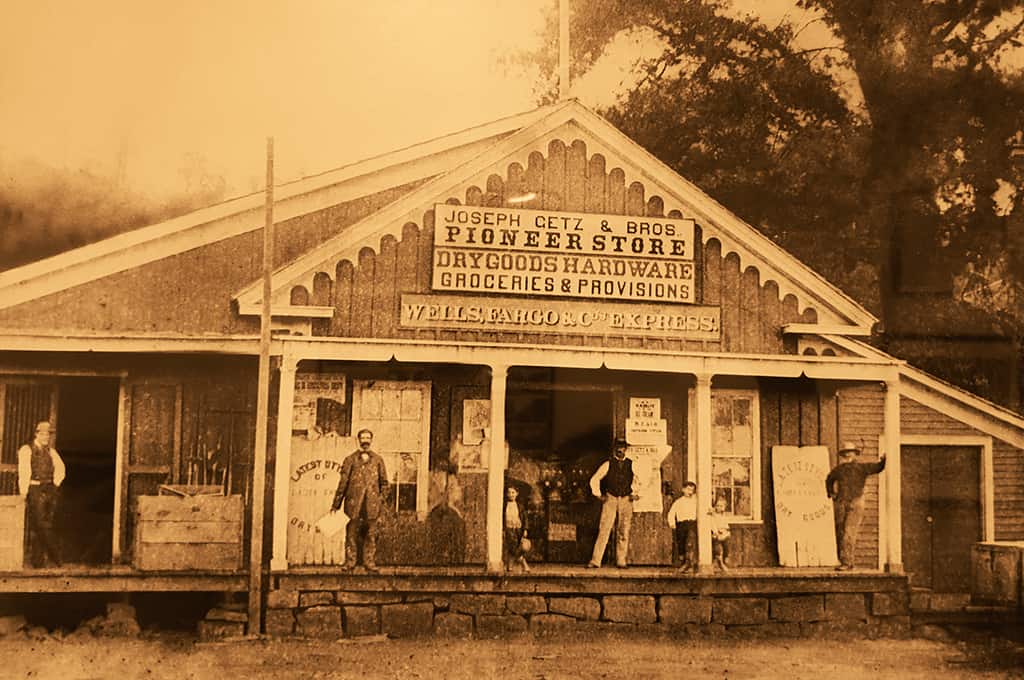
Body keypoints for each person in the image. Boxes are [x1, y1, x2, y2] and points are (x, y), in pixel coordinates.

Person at [331, 428, 388, 573]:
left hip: (372, 505)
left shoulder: (378, 460)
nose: (365, 441)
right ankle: (350, 563)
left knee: (371, 534)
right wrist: (336, 504)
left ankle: (369, 563)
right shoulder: (349, 460)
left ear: (371, 440)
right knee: (351, 534)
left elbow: (385, 484)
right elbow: (343, 483)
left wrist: (380, 499)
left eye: (368, 438)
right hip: (353, 504)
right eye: (363, 438)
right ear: (358, 440)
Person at [826, 441, 886, 571]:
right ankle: (846, 561)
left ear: (854, 454)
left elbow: (878, 467)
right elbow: (829, 479)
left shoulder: (862, 468)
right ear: (843, 455)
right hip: (842, 503)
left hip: (856, 503)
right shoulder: (839, 469)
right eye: (846, 453)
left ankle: (847, 563)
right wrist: (831, 493)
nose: (848, 455)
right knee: (841, 532)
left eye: (850, 452)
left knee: (849, 532)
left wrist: (884, 461)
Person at [17, 421, 65, 568]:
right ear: (36, 434)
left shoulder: (51, 451)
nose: (46, 437)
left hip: (49, 490)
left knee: (45, 524)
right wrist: (24, 492)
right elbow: (24, 471)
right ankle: (56, 556)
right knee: (41, 524)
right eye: (43, 433)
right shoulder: (27, 450)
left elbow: (61, 468)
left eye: (48, 434)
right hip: (34, 488)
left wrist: (55, 484)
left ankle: (38, 562)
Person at [587, 438, 639, 569]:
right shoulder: (607, 464)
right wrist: (598, 495)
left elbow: (641, 479)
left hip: (626, 499)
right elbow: (595, 479)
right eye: (618, 447)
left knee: (623, 530)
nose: (620, 449)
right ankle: (595, 561)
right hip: (610, 499)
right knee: (604, 530)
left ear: (626, 449)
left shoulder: (632, 464)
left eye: (622, 447)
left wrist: (636, 492)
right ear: (614, 448)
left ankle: (621, 560)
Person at [666, 481, 697, 573]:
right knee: (681, 543)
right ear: (683, 490)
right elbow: (671, 513)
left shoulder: (695, 501)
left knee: (690, 543)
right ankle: (683, 562)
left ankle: (689, 564)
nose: (690, 492)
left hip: (692, 523)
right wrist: (672, 523)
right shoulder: (679, 502)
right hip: (681, 524)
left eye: (692, 490)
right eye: (688, 489)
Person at [503, 485, 530, 572]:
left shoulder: (520, 506)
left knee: (518, 547)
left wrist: (525, 529)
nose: (511, 494)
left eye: (513, 492)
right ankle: (524, 564)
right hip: (508, 529)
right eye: (509, 493)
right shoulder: (504, 506)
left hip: (518, 529)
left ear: (517, 494)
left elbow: (524, 518)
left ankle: (510, 564)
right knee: (512, 546)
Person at [709, 496, 732, 572]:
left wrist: (725, 532)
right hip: (716, 533)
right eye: (717, 506)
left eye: (721, 506)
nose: (719, 507)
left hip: (723, 533)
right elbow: (712, 525)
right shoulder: (713, 515)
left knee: (726, 545)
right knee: (717, 548)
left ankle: (725, 558)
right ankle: (720, 563)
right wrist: (716, 532)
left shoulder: (724, 516)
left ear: (724, 507)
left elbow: (726, 526)